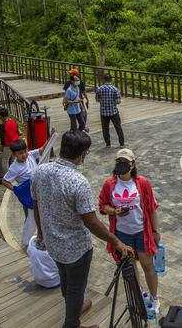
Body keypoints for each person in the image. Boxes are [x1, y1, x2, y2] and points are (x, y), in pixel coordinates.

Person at [31, 130, 134, 328]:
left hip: (53, 243)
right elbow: (91, 222)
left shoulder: (40, 171)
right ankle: (72, 323)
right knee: (76, 288)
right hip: (76, 249)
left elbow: (37, 205)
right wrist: (116, 241)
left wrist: (42, 233)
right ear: (83, 154)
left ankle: (75, 307)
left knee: (65, 280)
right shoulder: (78, 182)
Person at [98, 149, 161, 313]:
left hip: (141, 232)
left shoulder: (142, 183)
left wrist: (155, 231)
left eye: (125, 162)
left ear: (132, 165)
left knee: (148, 265)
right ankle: (139, 294)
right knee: (131, 268)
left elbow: (152, 208)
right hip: (122, 233)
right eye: (119, 161)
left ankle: (155, 298)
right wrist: (115, 211)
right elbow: (103, 206)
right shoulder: (109, 184)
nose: (122, 165)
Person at [1, 134, 54, 245]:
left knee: (41, 215)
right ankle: (25, 241)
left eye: (25, 151)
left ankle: (41, 235)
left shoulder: (30, 155)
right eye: (20, 154)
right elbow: (4, 181)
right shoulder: (14, 168)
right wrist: (17, 190)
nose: (24, 155)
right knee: (31, 219)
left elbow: (41, 150)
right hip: (29, 195)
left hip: (39, 190)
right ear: (14, 154)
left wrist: (50, 137)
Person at [95, 74, 125, 148]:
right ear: (111, 80)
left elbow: (97, 99)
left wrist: (103, 101)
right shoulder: (115, 89)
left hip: (103, 112)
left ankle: (108, 144)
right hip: (113, 111)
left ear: (103, 80)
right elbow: (118, 101)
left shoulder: (100, 89)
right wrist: (113, 102)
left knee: (105, 128)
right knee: (118, 127)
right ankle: (121, 143)